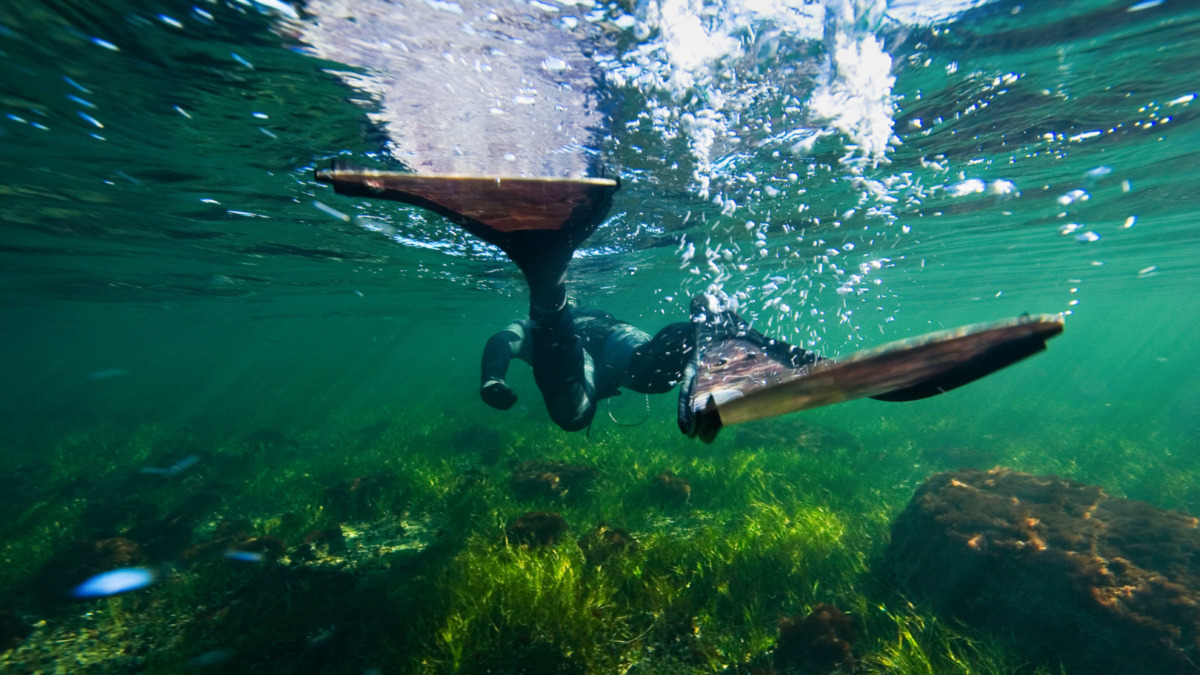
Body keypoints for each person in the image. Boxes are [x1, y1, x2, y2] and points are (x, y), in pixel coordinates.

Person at [315, 163, 1063, 441]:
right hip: (650, 351)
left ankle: (552, 271)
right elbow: (503, 342)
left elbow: (505, 337)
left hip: (626, 361)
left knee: (574, 410)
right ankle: (729, 344)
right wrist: (490, 374)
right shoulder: (610, 323)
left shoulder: (596, 329)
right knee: (667, 350)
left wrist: (495, 376)